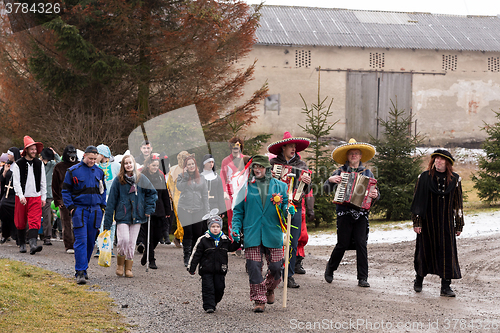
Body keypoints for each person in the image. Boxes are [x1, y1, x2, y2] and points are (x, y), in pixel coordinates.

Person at [231, 155, 294, 313]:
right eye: (255, 166)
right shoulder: (244, 188)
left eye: (260, 166)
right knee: (253, 267)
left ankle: (269, 289)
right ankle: (259, 300)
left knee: (276, 267)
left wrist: (288, 209)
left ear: (268, 169)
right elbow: (238, 212)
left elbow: (285, 203)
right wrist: (236, 228)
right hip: (252, 233)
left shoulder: (280, 186)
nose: (257, 169)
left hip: (272, 233)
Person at [323, 139, 379, 288]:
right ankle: (331, 268)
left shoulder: (367, 173)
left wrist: (375, 195)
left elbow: (374, 193)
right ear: (347, 157)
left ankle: (362, 277)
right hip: (344, 213)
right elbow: (326, 189)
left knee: (361, 244)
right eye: (351, 154)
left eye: (356, 153)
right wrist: (330, 180)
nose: (354, 156)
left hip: (361, 214)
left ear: (360, 156)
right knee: (342, 244)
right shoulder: (339, 172)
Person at [411, 149, 464, 297]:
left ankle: (445, 287)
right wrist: (417, 221)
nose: (438, 161)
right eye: (436, 159)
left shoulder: (454, 179)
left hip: (446, 223)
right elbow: (417, 201)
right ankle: (419, 279)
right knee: (424, 252)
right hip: (427, 222)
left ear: (447, 163)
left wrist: (458, 224)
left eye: (441, 159)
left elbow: (457, 204)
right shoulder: (424, 178)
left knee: (447, 254)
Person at [268, 131, 312, 288]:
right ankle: (273, 272)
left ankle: (289, 274)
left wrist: (307, 182)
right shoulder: (273, 165)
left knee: (292, 241)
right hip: (276, 207)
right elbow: (264, 186)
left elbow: (306, 191)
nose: (294, 149)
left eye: (295, 147)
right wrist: (269, 176)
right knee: (274, 241)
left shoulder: (302, 166)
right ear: (283, 147)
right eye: (291, 146)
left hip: (295, 207)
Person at [103, 155, 157, 278]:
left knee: (132, 243)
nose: (128, 165)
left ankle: (128, 267)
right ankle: (120, 265)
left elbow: (152, 193)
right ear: (123, 166)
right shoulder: (118, 180)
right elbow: (111, 201)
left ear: (134, 164)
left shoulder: (141, 178)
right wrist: (107, 221)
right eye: (126, 163)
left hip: (137, 215)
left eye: (130, 163)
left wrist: (148, 208)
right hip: (123, 215)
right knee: (123, 240)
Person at [62, 146, 107, 284]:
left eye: (95, 159)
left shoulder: (99, 172)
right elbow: (65, 191)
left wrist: (102, 206)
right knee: (81, 241)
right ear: (84, 156)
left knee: (90, 242)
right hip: (80, 211)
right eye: (90, 158)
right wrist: (71, 208)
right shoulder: (73, 171)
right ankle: (80, 271)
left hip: (95, 211)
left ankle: (84, 268)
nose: (93, 161)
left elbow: (103, 190)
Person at [187, 212, 241, 313]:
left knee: (219, 288)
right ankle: (209, 305)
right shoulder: (203, 240)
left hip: (220, 269)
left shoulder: (225, 240)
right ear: (208, 227)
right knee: (208, 288)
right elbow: (196, 254)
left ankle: (215, 301)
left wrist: (238, 241)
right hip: (206, 269)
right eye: (213, 226)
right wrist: (192, 267)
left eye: (217, 226)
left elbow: (232, 247)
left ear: (220, 227)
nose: (215, 228)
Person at [11, 136, 46, 255]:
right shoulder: (18, 164)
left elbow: (43, 181)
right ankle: (21, 244)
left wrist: (43, 197)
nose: (34, 151)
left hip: (35, 196)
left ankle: (33, 245)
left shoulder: (39, 163)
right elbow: (16, 182)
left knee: (35, 220)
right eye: (32, 149)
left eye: (35, 149)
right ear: (26, 150)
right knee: (20, 221)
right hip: (22, 196)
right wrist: (20, 195)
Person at [176, 155, 209, 267]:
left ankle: (194, 255)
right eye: (188, 164)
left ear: (195, 166)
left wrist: (207, 211)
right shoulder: (181, 176)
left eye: (192, 164)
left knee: (197, 232)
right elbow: (180, 187)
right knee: (188, 232)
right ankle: (186, 255)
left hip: (198, 208)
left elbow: (205, 195)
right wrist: (185, 177)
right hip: (184, 208)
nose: (191, 166)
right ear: (185, 166)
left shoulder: (202, 178)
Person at [139, 155, 171, 269]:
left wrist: (168, 209)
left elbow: (165, 194)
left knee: (158, 235)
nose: (155, 167)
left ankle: (146, 254)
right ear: (148, 165)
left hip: (160, 209)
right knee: (149, 235)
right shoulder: (143, 176)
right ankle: (151, 259)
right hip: (147, 209)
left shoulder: (161, 177)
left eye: (157, 166)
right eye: (153, 165)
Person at [94, 144, 120, 258]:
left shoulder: (115, 166)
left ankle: (110, 247)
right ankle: (100, 247)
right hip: (99, 197)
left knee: (112, 223)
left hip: (112, 197)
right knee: (100, 222)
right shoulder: (95, 166)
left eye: (98, 154)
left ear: (103, 154)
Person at [52, 145, 79, 254]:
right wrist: (58, 201)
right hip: (64, 199)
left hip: (78, 198)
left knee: (78, 222)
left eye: (73, 154)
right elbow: (55, 185)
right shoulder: (59, 167)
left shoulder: (79, 165)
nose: (72, 157)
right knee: (66, 223)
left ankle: (78, 244)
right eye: (70, 154)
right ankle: (69, 245)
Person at [220, 137, 247, 241]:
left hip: (243, 193)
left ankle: (245, 242)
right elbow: (222, 177)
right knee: (232, 218)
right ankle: (234, 242)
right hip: (230, 195)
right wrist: (224, 192)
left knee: (245, 216)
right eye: (233, 146)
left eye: (237, 146)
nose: (235, 148)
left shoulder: (245, 159)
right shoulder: (225, 161)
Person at [167, 151, 191, 248]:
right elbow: (169, 185)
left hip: (189, 197)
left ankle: (177, 237)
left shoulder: (191, 168)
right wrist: (170, 197)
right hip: (177, 197)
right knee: (181, 220)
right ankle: (184, 241)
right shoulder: (173, 170)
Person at [0, 147, 21, 245]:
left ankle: (17, 236)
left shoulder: (19, 165)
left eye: (9, 154)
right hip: (7, 193)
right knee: (3, 208)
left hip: (15, 194)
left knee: (16, 214)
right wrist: (5, 171)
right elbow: (2, 179)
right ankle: (5, 234)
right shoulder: (7, 165)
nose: (8, 155)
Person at [40, 147, 60, 246]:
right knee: (34, 215)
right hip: (37, 193)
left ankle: (47, 237)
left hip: (48, 194)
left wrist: (55, 154)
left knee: (47, 216)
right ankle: (29, 235)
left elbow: (60, 163)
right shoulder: (37, 164)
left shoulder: (52, 164)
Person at [200, 154, 226, 219]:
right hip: (201, 207)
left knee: (213, 226)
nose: (211, 164)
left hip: (214, 206)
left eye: (212, 162)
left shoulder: (217, 178)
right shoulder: (199, 177)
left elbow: (220, 194)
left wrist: (222, 209)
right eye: (209, 162)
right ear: (204, 163)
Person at [295, 189, 314, 275]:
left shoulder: (305, 175)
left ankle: (297, 262)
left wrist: (310, 209)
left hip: (299, 207)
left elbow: (309, 191)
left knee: (302, 236)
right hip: (280, 203)